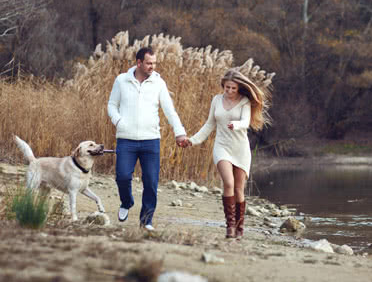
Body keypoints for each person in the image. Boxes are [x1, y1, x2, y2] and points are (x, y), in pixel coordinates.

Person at [108, 47, 189, 231]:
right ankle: (126, 202)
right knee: (122, 176)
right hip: (126, 139)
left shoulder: (159, 83)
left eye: (154, 63)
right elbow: (112, 105)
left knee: (151, 182)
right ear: (139, 63)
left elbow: (170, 111)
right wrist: (119, 121)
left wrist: (180, 132)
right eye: (149, 63)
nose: (152, 66)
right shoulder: (122, 80)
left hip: (151, 140)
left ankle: (146, 221)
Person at [184, 69, 269, 238]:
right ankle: (230, 226)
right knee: (228, 183)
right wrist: (192, 140)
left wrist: (235, 125)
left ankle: (240, 228)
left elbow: (245, 122)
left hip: (241, 148)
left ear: (239, 89)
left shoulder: (244, 101)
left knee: (239, 189)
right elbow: (209, 125)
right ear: (223, 86)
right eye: (227, 87)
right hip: (222, 147)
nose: (229, 91)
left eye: (233, 88)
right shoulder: (216, 100)